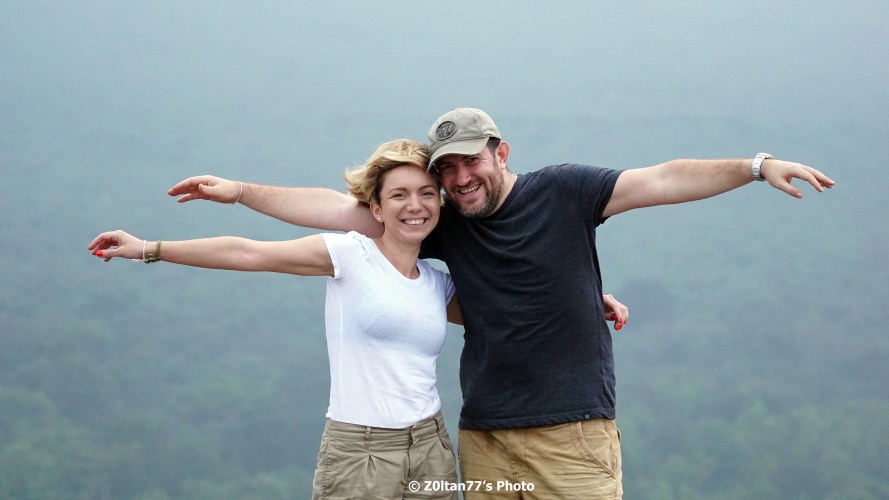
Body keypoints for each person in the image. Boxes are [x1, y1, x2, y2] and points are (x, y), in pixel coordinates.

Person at [166, 108, 830, 499]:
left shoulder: (564, 190)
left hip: (571, 433)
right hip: (482, 438)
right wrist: (240, 191)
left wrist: (754, 166)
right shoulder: (443, 220)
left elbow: (660, 178)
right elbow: (341, 211)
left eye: (470, 162)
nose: (460, 179)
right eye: (446, 170)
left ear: (500, 153)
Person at [90, 139, 467, 499]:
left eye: (426, 193)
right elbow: (248, 253)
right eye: (399, 194)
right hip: (363, 450)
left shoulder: (437, 284)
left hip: (430, 444)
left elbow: (496, 312)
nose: (415, 205)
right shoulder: (351, 255)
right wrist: (148, 248)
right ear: (377, 208)